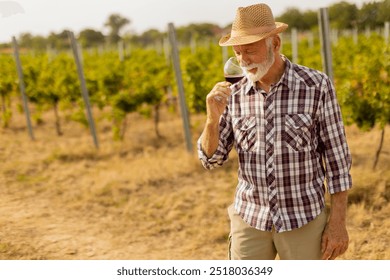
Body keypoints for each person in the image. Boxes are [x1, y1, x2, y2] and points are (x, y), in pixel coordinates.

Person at [197, 3, 352, 260]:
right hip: (250, 217)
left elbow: (338, 161)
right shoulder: (231, 94)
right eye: (237, 53)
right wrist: (211, 121)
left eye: (250, 51)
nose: (243, 60)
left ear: (275, 44)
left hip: (303, 216)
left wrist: (337, 224)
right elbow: (211, 160)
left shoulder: (316, 86)